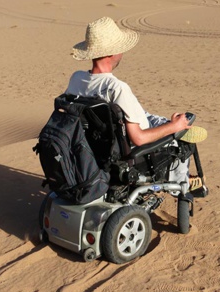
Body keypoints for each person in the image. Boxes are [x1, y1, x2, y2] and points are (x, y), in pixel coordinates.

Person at [65, 16, 201, 187]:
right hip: (129, 148)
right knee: (182, 136)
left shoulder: (76, 79)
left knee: (153, 118)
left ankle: (170, 125)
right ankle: (182, 184)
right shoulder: (116, 88)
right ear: (112, 53)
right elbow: (138, 138)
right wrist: (175, 127)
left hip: (94, 144)